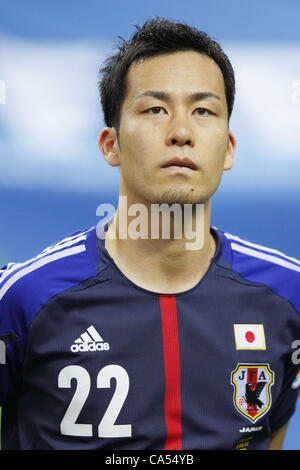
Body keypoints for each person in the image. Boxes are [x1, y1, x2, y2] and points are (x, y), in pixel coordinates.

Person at [0, 17, 300, 451]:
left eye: (203, 111)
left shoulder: (287, 295)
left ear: (229, 147)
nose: (180, 132)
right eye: (155, 109)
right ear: (111, 145)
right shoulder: (24, 298)